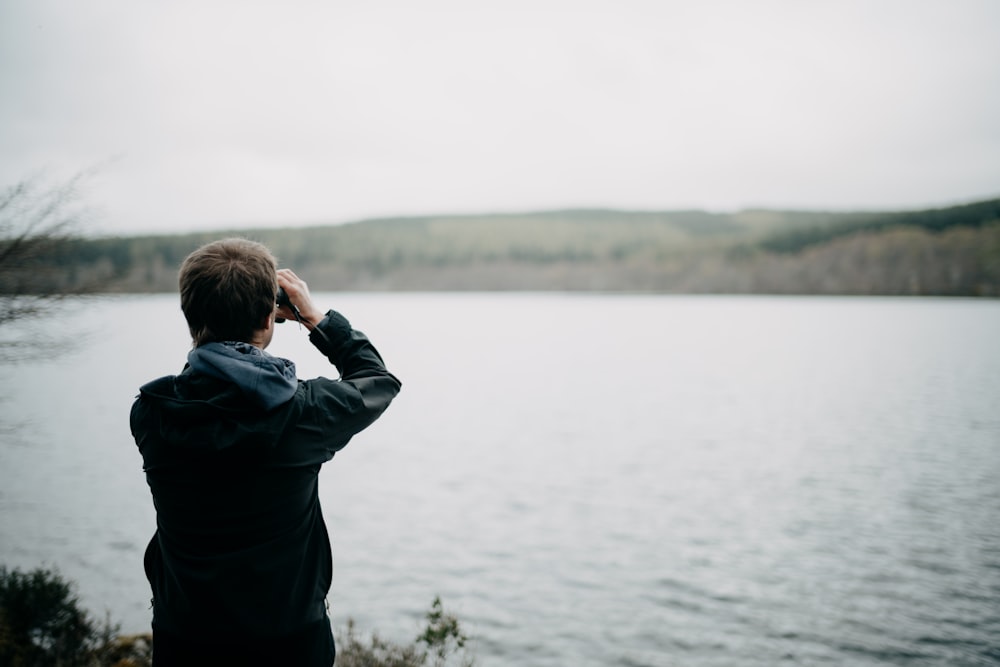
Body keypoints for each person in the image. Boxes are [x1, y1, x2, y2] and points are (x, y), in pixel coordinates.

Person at [130, 238, 401, 666]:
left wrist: (220, 328)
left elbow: (199, 385)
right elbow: (377, 381)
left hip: (184, 636)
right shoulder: (304, 414)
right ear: (269, 315)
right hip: (290, 641)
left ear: (189, 315)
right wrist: (317, 318)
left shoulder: (151, 414)